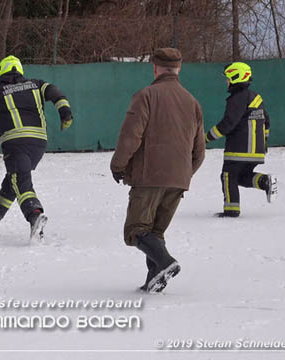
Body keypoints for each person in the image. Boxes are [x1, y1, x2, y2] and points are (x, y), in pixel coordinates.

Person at [110, 48, 205, 293]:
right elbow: (199, 150)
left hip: (149, 176)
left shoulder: (146, 96)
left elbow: (131, 135)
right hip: (180, 178)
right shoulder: (192, 101)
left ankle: (165, 263)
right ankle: (154, 280)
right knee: (155, 232)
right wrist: (183, 173)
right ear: (179, 69)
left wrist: (118, 165)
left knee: (136, 230)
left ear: (154, 67)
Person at [0, 55, 73, 241]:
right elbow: (55, 92)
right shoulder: (37, 84)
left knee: (20, 180)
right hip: (38, 143)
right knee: (14, 179)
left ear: (0, 71)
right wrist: (65, 111)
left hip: (14, 141)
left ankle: (34, 214)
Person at [205, 62, 275, 218]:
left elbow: (228, 123)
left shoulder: (237, 98)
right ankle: (264, 181)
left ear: (236, 77)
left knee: (228, 176)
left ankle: (231, 211)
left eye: (228, 78)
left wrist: (206, 138)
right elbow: (267, 122)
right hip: (257, 150)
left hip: (239, 149)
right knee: (242, 177)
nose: (227, 81)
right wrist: (264, 143)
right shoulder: (256, 97)